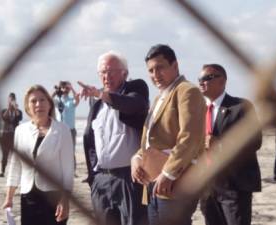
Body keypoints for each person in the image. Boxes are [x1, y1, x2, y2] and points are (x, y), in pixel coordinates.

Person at [131, 44, 206, 225]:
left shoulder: (187, 91)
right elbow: (149, 140)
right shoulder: (158, 98)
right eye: (150, 70)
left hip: (177, 179)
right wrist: (136, 158)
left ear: (175, 65)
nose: (155, 74)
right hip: (154, 180)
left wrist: (169, 173)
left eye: (160, 67)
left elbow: (190, 137)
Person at [78, 50, 149, 225]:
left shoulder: (136, 88)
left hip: (129, 179)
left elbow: (132, 105)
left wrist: (102, 94)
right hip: (101, 179)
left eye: (111, 71)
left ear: (124, 73)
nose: (106, 76)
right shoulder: (96, 102)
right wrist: (94, 177)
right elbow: (92, 140)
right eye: (102, 72)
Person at [197, 64, 262, 225]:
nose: (202, 82)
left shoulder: (240, 107)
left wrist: (220, 145)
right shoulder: (197, 110)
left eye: (207, 78)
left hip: (234, 184)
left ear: (222, 81)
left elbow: (255, 141)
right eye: (200, 79)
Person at [2, 85, 74, 225]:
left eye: (42, 100)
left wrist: (65, 200)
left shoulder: (62, 130)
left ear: (49, 104)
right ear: (27, 107)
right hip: (28, 197)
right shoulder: (20, 131)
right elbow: (15, 165)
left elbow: (68, 170)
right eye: (33, 101)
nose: (38, 104)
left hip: (54, 197)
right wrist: (9, 197)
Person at [52, 81, 80, 174]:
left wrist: (71, 88)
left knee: (71, 151)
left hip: (70, 130)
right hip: (59, 129)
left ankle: (73, 171)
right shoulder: (57, 101)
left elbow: (77, 99)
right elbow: (48, 99)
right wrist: (55, 92)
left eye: (66, 88)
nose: (65, 90)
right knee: (58, 150)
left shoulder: (71, 100)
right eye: (64, 88)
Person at [0, 92, 23, 177]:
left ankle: (16, 172)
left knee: (16, 155)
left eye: (13, 99)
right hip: (5, 135)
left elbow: (19, 118)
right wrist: (9, 108)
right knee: (4, 154)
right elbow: (4, 118)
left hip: (15, 136)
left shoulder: (18, 111)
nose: (12, 101)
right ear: (8, 100)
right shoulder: (4, 111)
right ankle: (2, 172)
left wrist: (15, 109)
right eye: (10, 99)